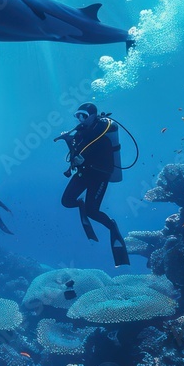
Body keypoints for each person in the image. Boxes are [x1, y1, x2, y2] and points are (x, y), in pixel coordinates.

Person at [56, 102, 130, 266]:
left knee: (92, 212)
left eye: (83, 115)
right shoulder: (81, 132)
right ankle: (80, 204)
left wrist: (85, 159)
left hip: (99, 177)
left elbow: (102, 159)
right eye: (77, 116)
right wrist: (68, 140)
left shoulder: (101, 132)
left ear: (93, 115)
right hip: (84, 174)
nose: (80, 119)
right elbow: (76, 152)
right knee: (66, 202)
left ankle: (112, 225)